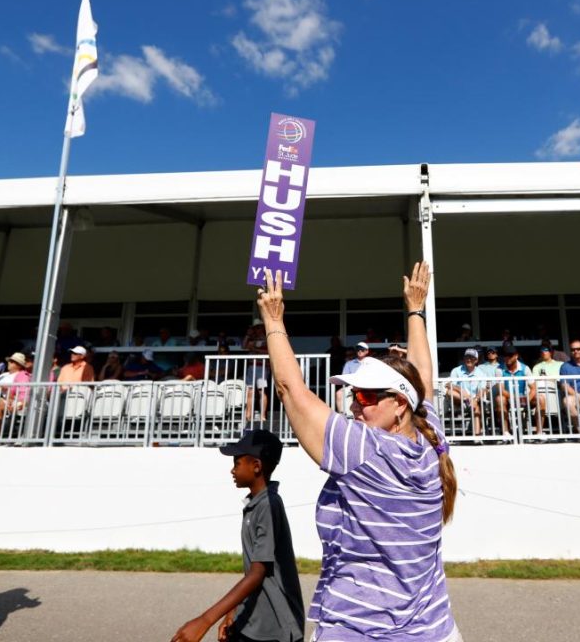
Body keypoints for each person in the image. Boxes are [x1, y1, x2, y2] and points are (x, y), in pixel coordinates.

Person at [255, 263, 461, 641]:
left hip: (359, 629)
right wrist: (416, 309)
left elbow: (290, 391)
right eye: (353, 395)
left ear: (398, 404)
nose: (354, 405)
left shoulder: (366, 450)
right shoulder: (432, 440)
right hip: (434, 629)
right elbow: (424, 381)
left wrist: (273, 320)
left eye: (366, 396)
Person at [171, 431, 303, 642]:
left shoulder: (268, 505)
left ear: (256, 466)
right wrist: (233, 614)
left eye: (237, 463)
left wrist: (205, 620)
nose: (232, 470)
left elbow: (257, 573)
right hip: (254, 622)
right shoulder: (255, 504)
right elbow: (253, 574)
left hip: (275, 629)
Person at [495, 344, 536, 436]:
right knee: (499, 399)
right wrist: (515, 397)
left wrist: (527, 400)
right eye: (505, 355)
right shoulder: (499, 369)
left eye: (510, 355)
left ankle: (540, 433)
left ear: (516, 355)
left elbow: (533, 388)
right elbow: (501, 390)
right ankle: (505, 432)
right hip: (508, 399)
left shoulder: (525, 368)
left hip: (523, 398)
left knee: (540, 398)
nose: (507, 357)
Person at [447, 348, 485, 436]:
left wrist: (476, 399)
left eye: (471, 357)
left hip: (473, 401)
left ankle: (477, 436)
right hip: (459, 401)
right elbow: (449, 385)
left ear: (476, 360)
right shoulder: (456, 370)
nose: (468, 359)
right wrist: (462, 391)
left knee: (477, 406)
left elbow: (482, 389)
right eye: (467, 357)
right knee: (450, 392)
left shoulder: (481, 373)